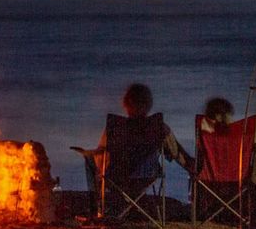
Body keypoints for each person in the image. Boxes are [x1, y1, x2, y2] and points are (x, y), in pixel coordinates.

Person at [76, 83, 194, 216]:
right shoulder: (159, 127)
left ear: (126, 104)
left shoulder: (115, 127)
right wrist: (189, 166)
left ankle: (97, 210)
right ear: (148, 104)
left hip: (117, 178)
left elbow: (101, 153)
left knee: (90, 161)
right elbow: (175, 152)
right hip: (147, 176)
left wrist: (88, 154)